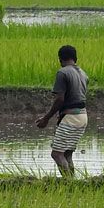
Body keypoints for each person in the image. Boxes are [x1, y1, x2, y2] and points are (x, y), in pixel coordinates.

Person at [36, 45, 88, 177]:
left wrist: (46, 118)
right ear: (75, 58)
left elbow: (60, 100)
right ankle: (72, 182)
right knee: (67, 153)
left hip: (71, 117)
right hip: (82, 116)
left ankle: (68, 183)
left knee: (57, 154)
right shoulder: (83, 73)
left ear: (60, 59)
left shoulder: (63, 73)